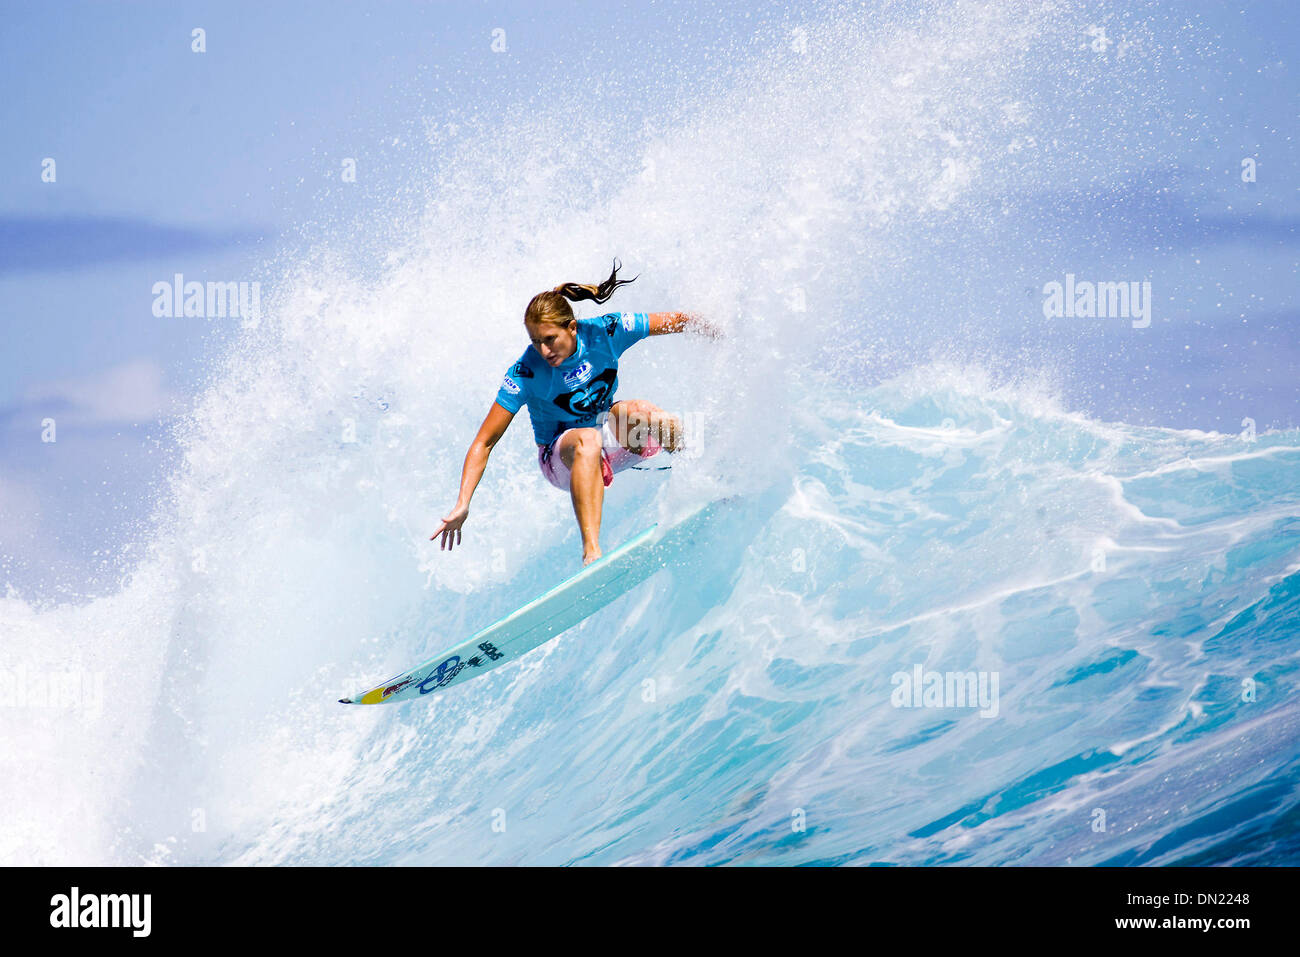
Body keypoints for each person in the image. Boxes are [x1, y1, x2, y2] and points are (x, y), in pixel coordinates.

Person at [431, 259, 717, 565]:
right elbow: (484, 442)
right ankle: (591, 553)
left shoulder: (606, 331)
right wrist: (463, 503)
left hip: (611, 439)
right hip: (562, 459)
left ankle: (707, 481)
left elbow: (677, 320)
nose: (543, 350)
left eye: (550, 339)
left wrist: (719, 328)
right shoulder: (525, 373)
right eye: (536, 342)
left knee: (641, 411)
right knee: (585, 441)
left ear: (572, 327)